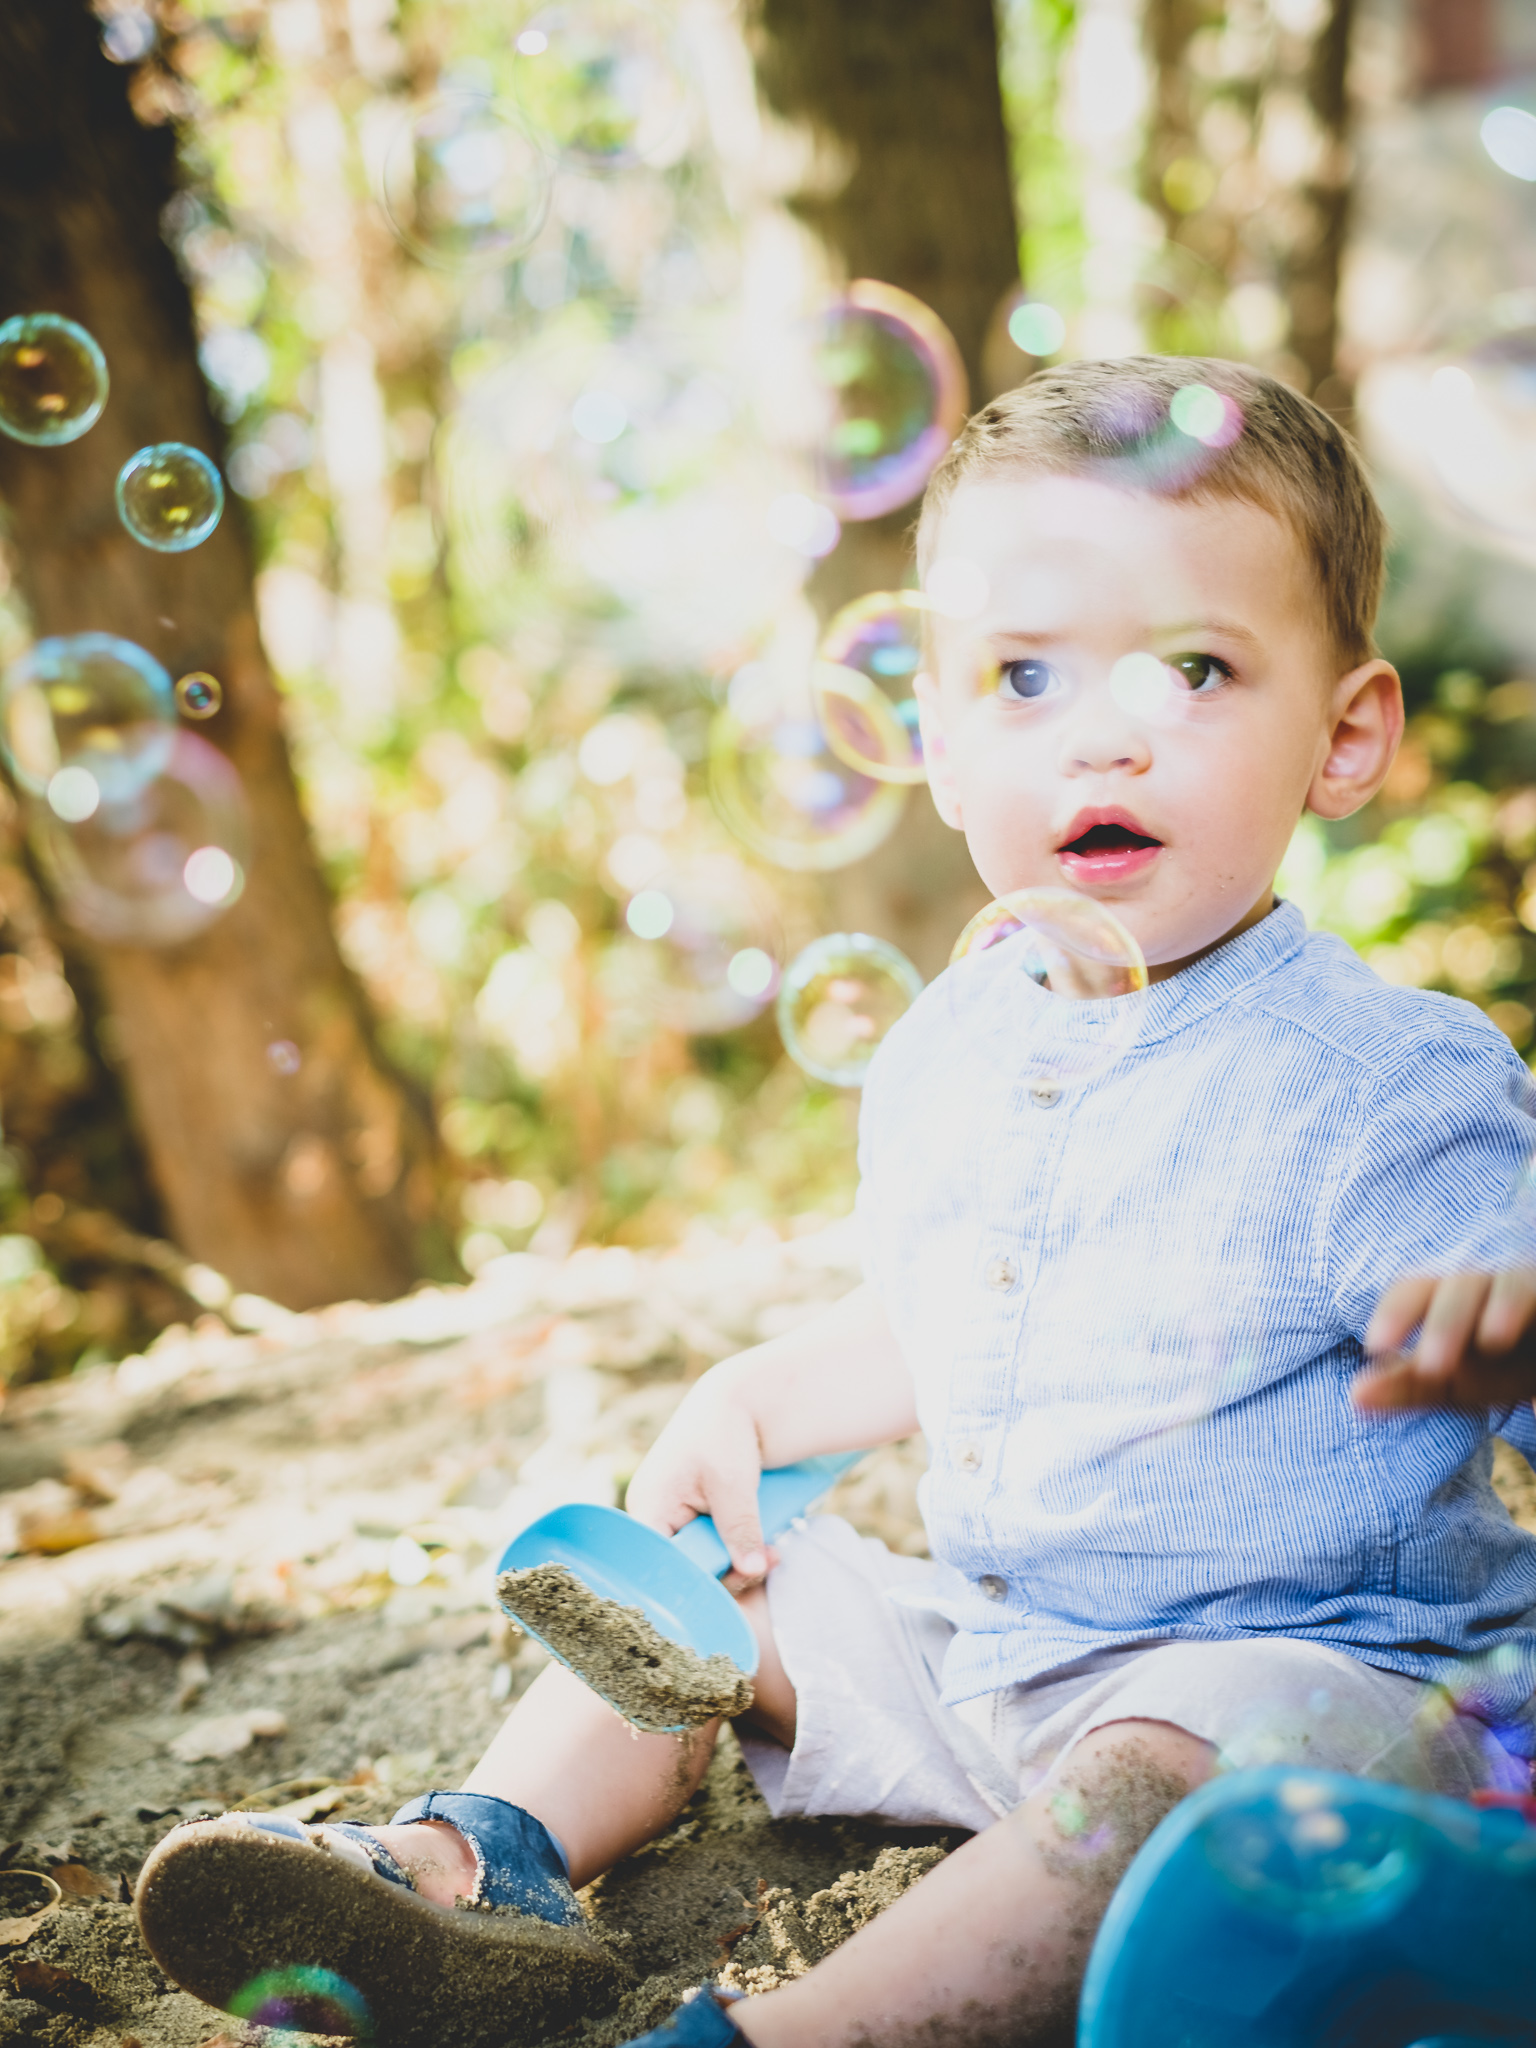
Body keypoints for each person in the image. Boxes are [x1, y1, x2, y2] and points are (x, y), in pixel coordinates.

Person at [136, 357, 1536, 2048]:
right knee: (702, 1596)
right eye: (1025, 675)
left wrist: (1508, 1323)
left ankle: (774, 2036)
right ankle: (479, 1862)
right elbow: (961, 1318)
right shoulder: (955, 1042)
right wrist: (755, 1396)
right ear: (938, 745)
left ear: (1345, 733)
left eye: (1193, 668)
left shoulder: (1383, 1084)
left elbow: (1510, 1275)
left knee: (1160, 1773)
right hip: (1008, 1655)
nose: (1102, 731)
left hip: (1313, 1700)